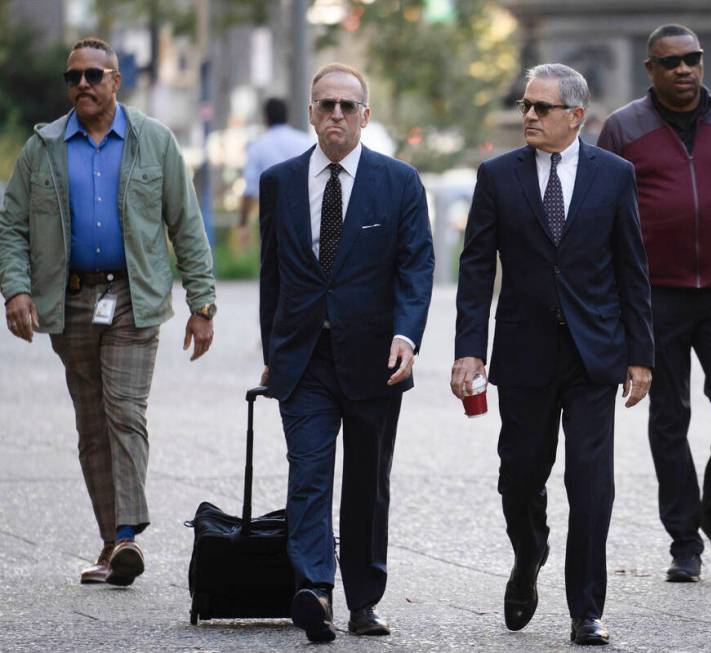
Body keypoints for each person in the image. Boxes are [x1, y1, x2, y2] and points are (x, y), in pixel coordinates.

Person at [0, 37, 216, 586]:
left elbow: (185, 224)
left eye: (94, 76)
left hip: (133, 298)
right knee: (92, 424)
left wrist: (202, 302)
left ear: (116, 82)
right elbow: (12, 225)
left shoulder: (155, 142)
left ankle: (126, 535)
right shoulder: (43, 148)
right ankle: (110, 544)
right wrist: (17, 290)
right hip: (69, 300)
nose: (83, 86)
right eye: (73, 77)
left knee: (124, 410)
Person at [452, 63, 654, 646]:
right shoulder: (498, 176)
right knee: (519, 475)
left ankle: (586, 608)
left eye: (542, 108)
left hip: (594, 355)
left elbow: (631, 269)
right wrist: (470, 350)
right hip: (524, 353)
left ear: (575, 116)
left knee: (591, 484)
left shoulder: (614, 175)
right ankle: (530, 550)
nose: (530, 116)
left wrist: (640, 355)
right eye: (525, 107)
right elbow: (474, 269)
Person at [258, 63, 433, 643]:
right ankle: (315, 589)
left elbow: (417, 266)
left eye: (346, 106)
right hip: (304, 358)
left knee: (366, 483)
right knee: (308, 473)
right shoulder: (280, 182)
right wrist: (273, 350)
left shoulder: (399, 181)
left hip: (376, 359)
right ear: (310, 113)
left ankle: (363, 599)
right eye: (325, 105)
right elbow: (272, 275)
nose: (335, 114)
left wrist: (407, 336)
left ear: (365, 115)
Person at [598, 24, 711, 583]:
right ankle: (684, 542)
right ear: (652, 70)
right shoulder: (623, 128)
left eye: (692, 59)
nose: (684, 70)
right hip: (654, 297)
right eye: (671, 63)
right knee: (669, 418)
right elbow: (603, 215)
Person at [237, 97, 311, 247]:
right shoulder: (306, 142)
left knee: (273, 266)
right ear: (287, 115)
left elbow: (250, 190)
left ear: (266, 118)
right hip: (307, 218)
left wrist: (243, 223)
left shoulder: (257, 147)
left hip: (273, 220)